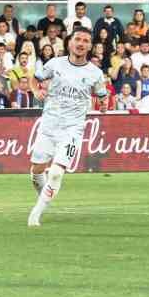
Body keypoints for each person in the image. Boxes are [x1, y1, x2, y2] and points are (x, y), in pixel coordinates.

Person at [25, 28, 110, 228]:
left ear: (90, 46)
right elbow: (33, 78)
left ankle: (35, 214)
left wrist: (104, 104)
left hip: (73, 129)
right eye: (78, 39)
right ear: (70, 42)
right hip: (49, 125)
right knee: (38, 169)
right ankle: (44, 196)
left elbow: (102, 96)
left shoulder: (95, 73)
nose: (81, 43)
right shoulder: (55, 64)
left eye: (86, 41)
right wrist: (36, 90)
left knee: (55, 172)